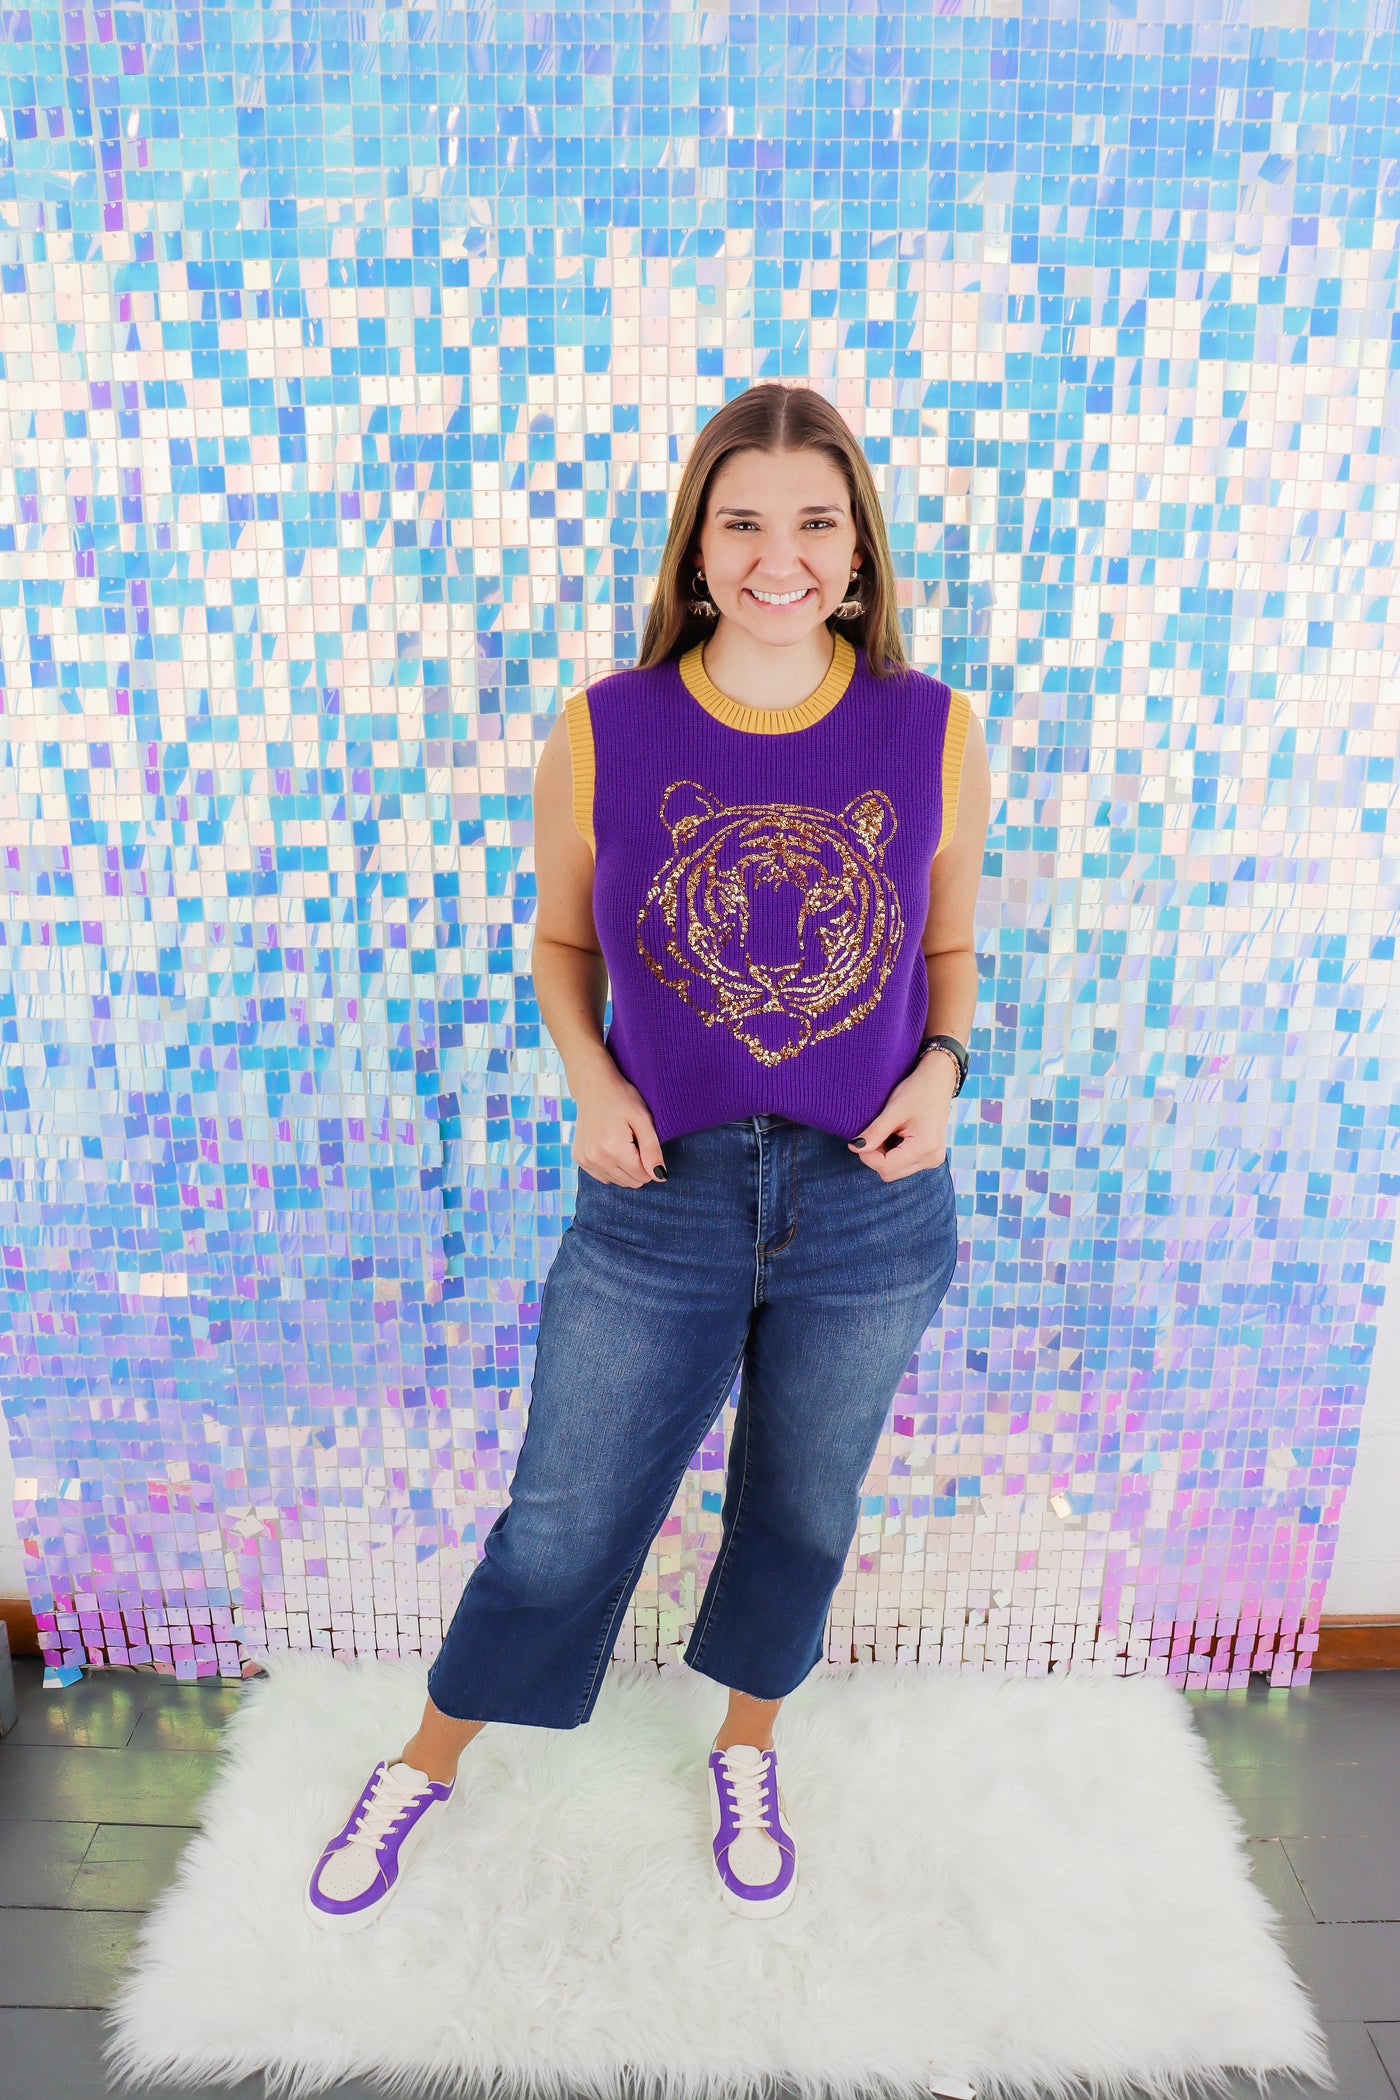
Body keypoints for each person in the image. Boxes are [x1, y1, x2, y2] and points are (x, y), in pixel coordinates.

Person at [305, 382, 991, 1931]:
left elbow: (946, 952)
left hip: (870, 1199)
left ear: (859, 553)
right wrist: (590, 1075)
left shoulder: (935, 728)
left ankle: (747, 1745)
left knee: (803, 1511)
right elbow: (563, 944)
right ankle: (425, 1759)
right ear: (694, 547)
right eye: (741, 522)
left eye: (813, 523)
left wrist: (948, 1070)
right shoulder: (605, 727)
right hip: (656, 1192)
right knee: (560, 1519)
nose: (777, 557)